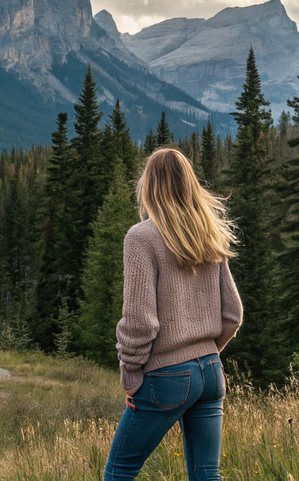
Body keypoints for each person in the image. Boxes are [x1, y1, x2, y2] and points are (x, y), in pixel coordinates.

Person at [103, 147, 243, 481]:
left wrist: (131, 375)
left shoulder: (142, 237)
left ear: (148, 186)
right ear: (189, 184)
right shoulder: (210, 232)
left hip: (166, 376)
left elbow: (139, 321)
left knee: (118, 472)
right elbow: (233, 314)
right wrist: (205, 355)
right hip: (211, 371)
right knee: (206, 475)